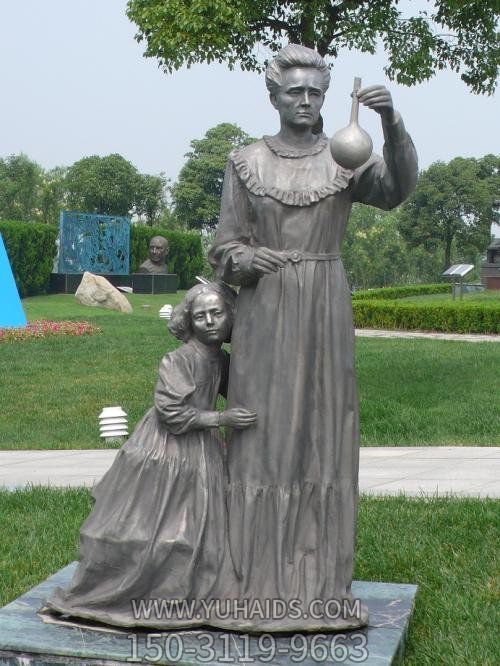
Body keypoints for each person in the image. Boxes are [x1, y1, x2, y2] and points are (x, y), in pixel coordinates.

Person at [208, 44, 418, 631]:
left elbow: (396, 188)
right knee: (263, 430)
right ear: (274, 97)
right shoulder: (246, 161)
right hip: (266, 305)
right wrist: (245, 259)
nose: (305, 101)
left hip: (325, 302)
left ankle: (320, 578)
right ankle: (252, 574)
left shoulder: (345, 154)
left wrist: (391, 122)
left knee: (324, 430)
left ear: (326, 97)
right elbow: (224, 245)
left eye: (314, 92)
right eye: (293, 91)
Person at [44, 282, 256, 628]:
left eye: (217, 313)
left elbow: (239, 389)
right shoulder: (179, 359)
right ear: (189, 322)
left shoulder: (220, 359)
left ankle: (196, 587)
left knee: (204, 526)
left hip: (202, 449)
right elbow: (172, 413)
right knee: (155, 528)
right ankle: (146, 589)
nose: (209, 322)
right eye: (200, 316)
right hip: (166, 449)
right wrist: (222, 419)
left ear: (230, 316)